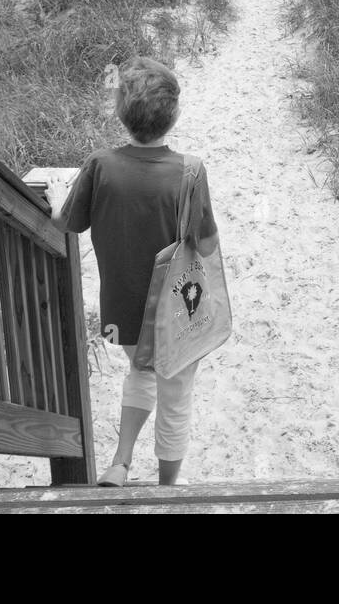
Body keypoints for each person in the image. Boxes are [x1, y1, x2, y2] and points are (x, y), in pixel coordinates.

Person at [47, 57, 220, 487]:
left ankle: (120, 462)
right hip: (177, 310)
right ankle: (165, 489)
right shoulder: (190, 170)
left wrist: (53, 200)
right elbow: (208, 244)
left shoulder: (100, 164)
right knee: (175, 394)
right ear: (173, 115)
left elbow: (68, 221)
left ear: (120, 113)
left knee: (140, 371)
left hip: (122, 312)